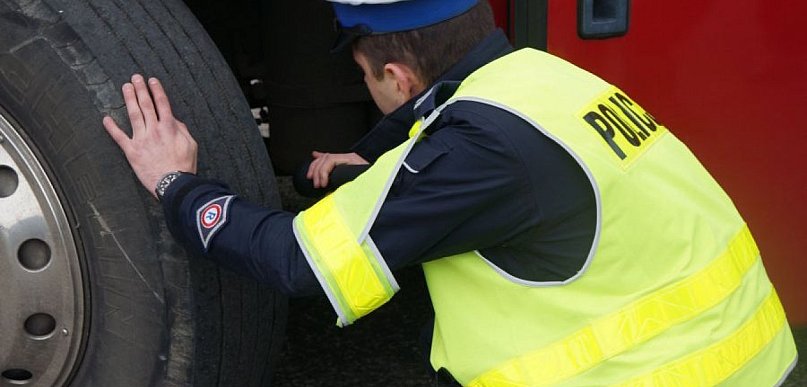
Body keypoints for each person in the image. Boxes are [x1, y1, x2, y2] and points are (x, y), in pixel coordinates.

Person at [103, 0, 798, 385]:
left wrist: (176, 183)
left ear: (398, 77)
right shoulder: (541, 78)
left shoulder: (478, 154)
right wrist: (367, 161)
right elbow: (455, 141)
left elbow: (299, 262)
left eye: (365, 78)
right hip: (740, 361)